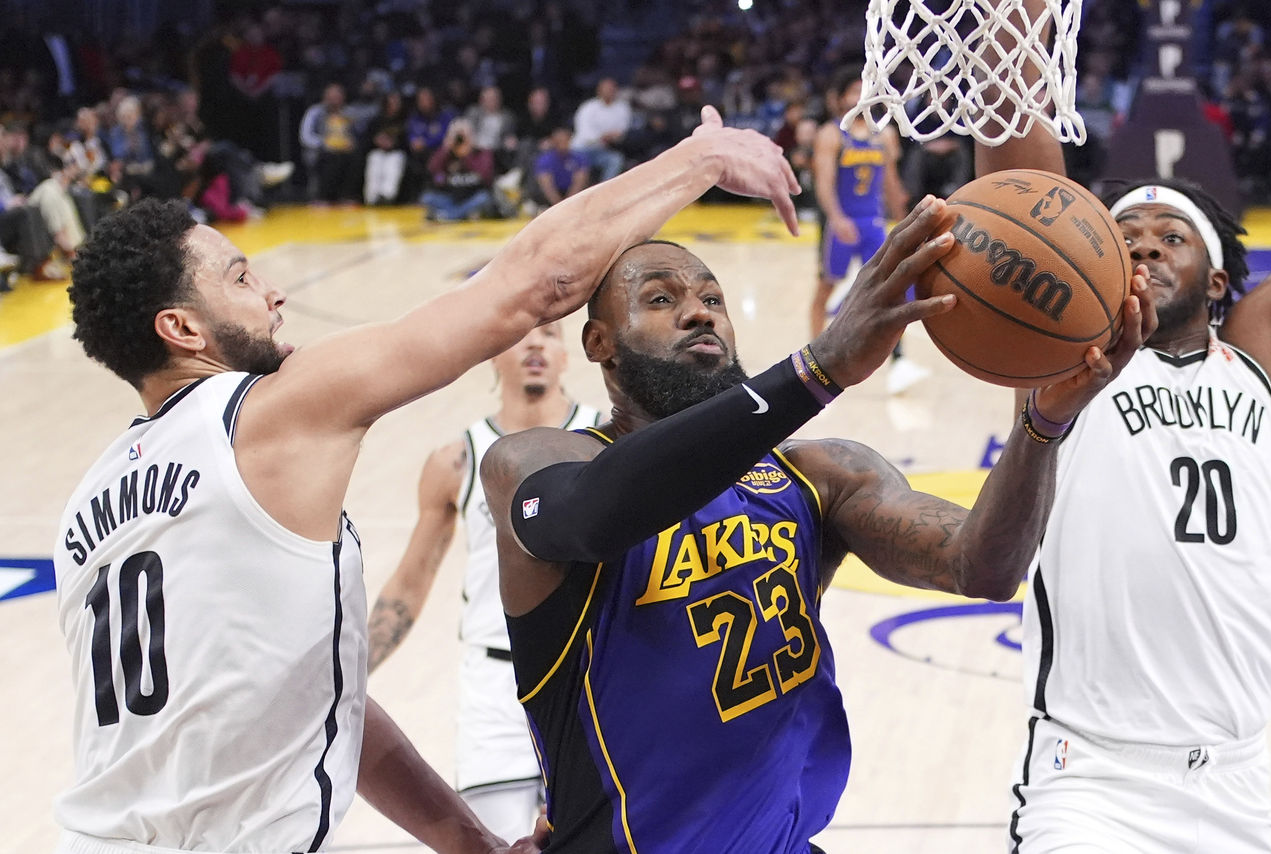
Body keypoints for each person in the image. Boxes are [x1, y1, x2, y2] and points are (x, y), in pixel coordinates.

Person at [52, 107, 801, 854]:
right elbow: (533, 287)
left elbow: (317, 700)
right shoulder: (265, 413)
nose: (273, 293)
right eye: (242, 277)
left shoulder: (89, 503)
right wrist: (701, 160)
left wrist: (474, 846)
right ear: (183, 330)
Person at [479, 205, 1155, 848]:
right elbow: (596, 516)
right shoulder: (534, 461)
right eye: (660, 299)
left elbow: (982, 566)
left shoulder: (816, 476)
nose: (698, 312)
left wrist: (1042, 424)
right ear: (599, 342)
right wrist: (816, 370)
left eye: (712, 298)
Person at [981, 3, 1271, 852]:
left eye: (1171, 236)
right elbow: (1021, 188)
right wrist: (1013, 34)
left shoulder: (1253, 367)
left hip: (1245, 775)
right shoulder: (1067, 358)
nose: (1144, 247)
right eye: (1125, 238)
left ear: (1218, 284)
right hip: (1095, 781)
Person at [367, 324, 600, 843]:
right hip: (495, 688)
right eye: (521, 335)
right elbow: (412, 578)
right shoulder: (457, 459)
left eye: (550, 334)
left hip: (591, 675)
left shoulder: (603, 440)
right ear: (493, 354)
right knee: (492, 844)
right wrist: (350, 671)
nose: (535, 344)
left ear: (568, 354)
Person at [811, 68, 924, 395]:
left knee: (891, 288)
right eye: (852, 92)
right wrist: (836, 218)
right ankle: (814, 357)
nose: (858, 98)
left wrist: (905, 221)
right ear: (839, 98)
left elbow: (890, 182)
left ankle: (899, 361)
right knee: (826, 285)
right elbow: (823, 183)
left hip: (872, 221)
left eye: (863, 92)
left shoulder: (884, 134)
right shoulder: (830, 134)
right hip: (842, 222)